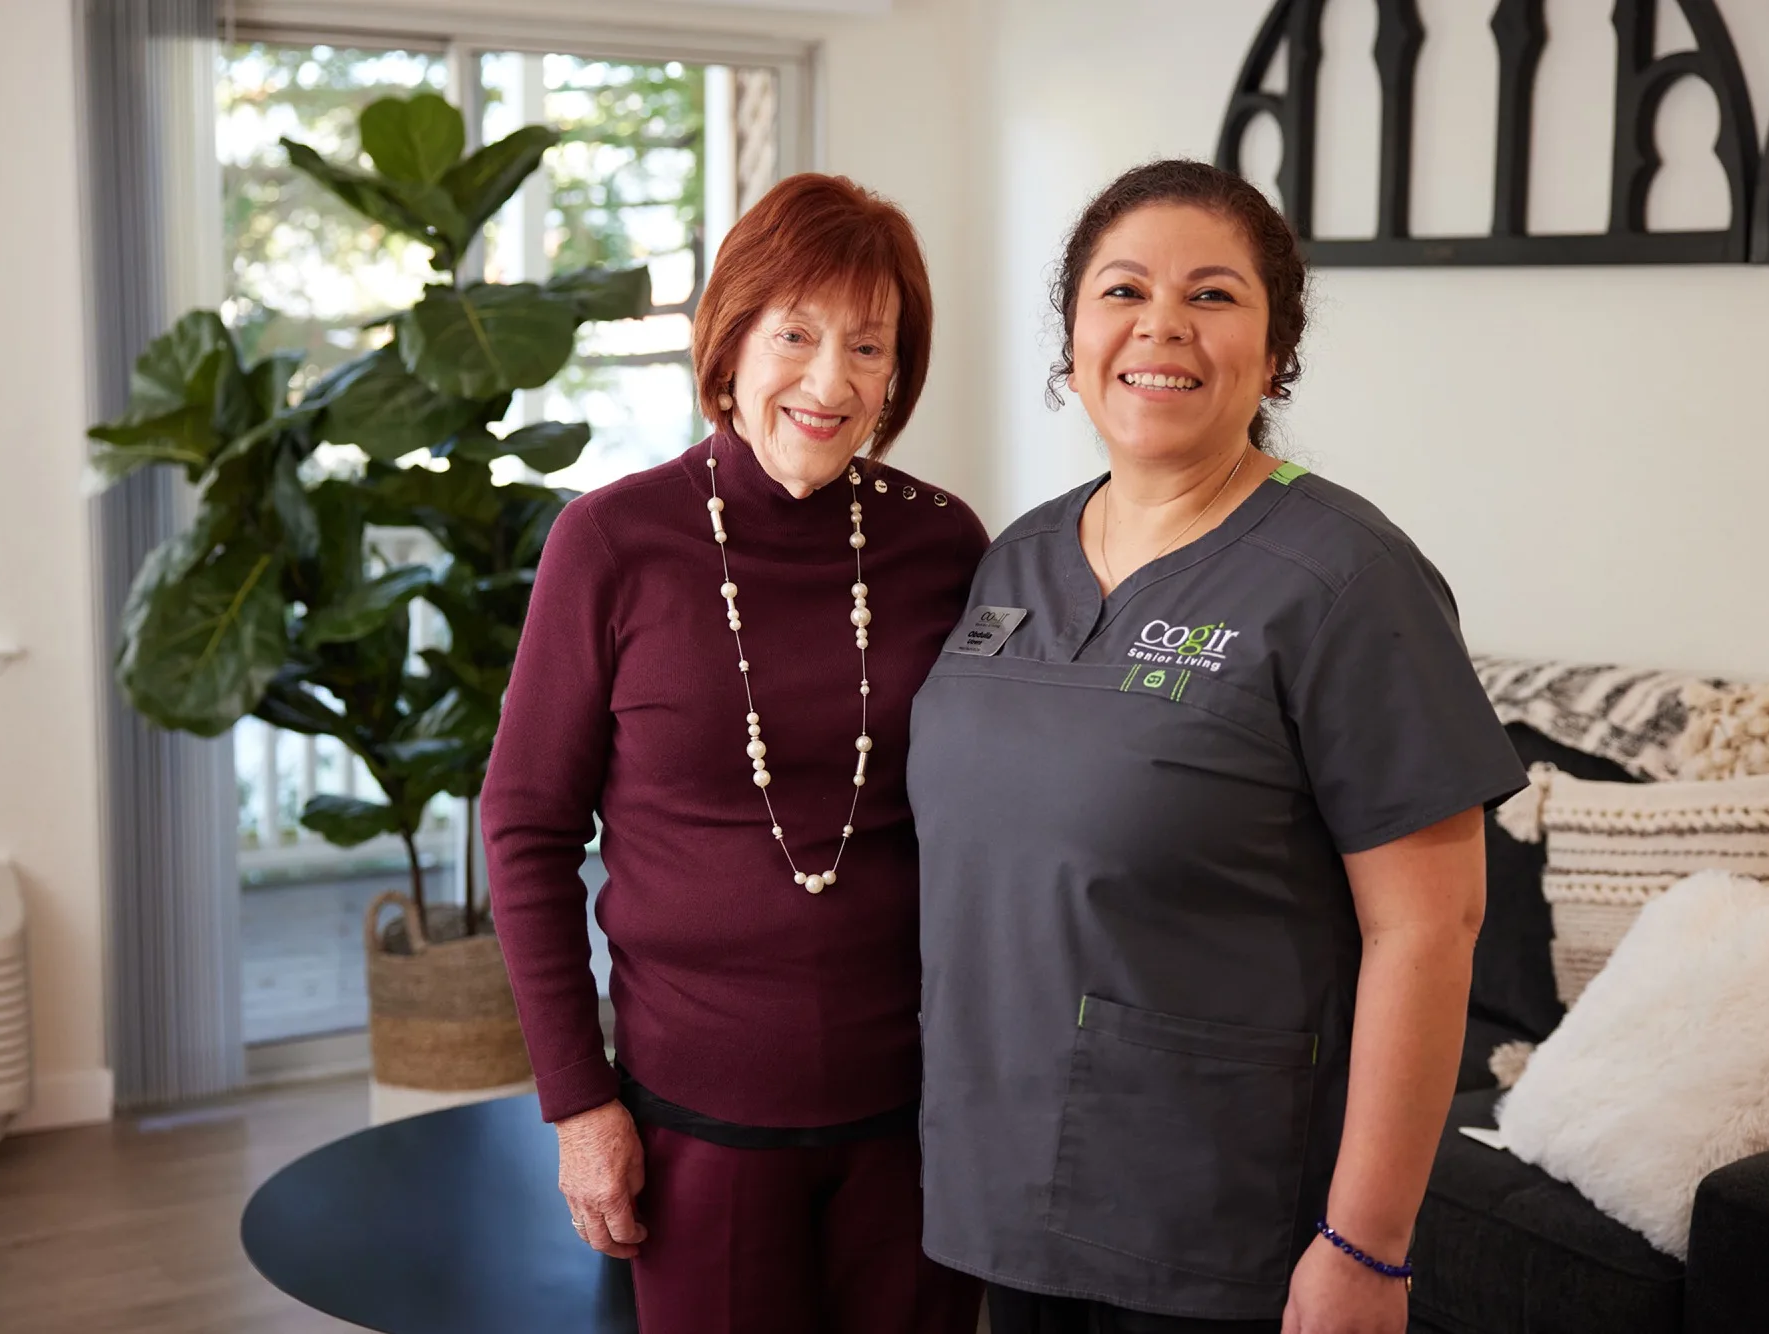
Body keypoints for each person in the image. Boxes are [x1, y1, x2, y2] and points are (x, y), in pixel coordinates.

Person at [908, 159, 1527, 1334]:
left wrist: (1366, 1244)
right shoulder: (1014, 559)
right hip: (998, 1186)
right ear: (1072, 334)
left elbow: (1428, 927)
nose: (1160, 326)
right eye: (1122, 289)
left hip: (1214, 1217)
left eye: (1211, 295)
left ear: (1275, 347)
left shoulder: (1346, 578)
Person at [482, 172, 988, 1334]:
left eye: (868, 347)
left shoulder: (941, 541)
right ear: (730, 342)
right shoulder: (611, 541)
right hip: (692, 1121)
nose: (829, 381)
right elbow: (524, 827)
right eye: (795, 334)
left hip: (916, 1119)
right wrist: (578, 1102)